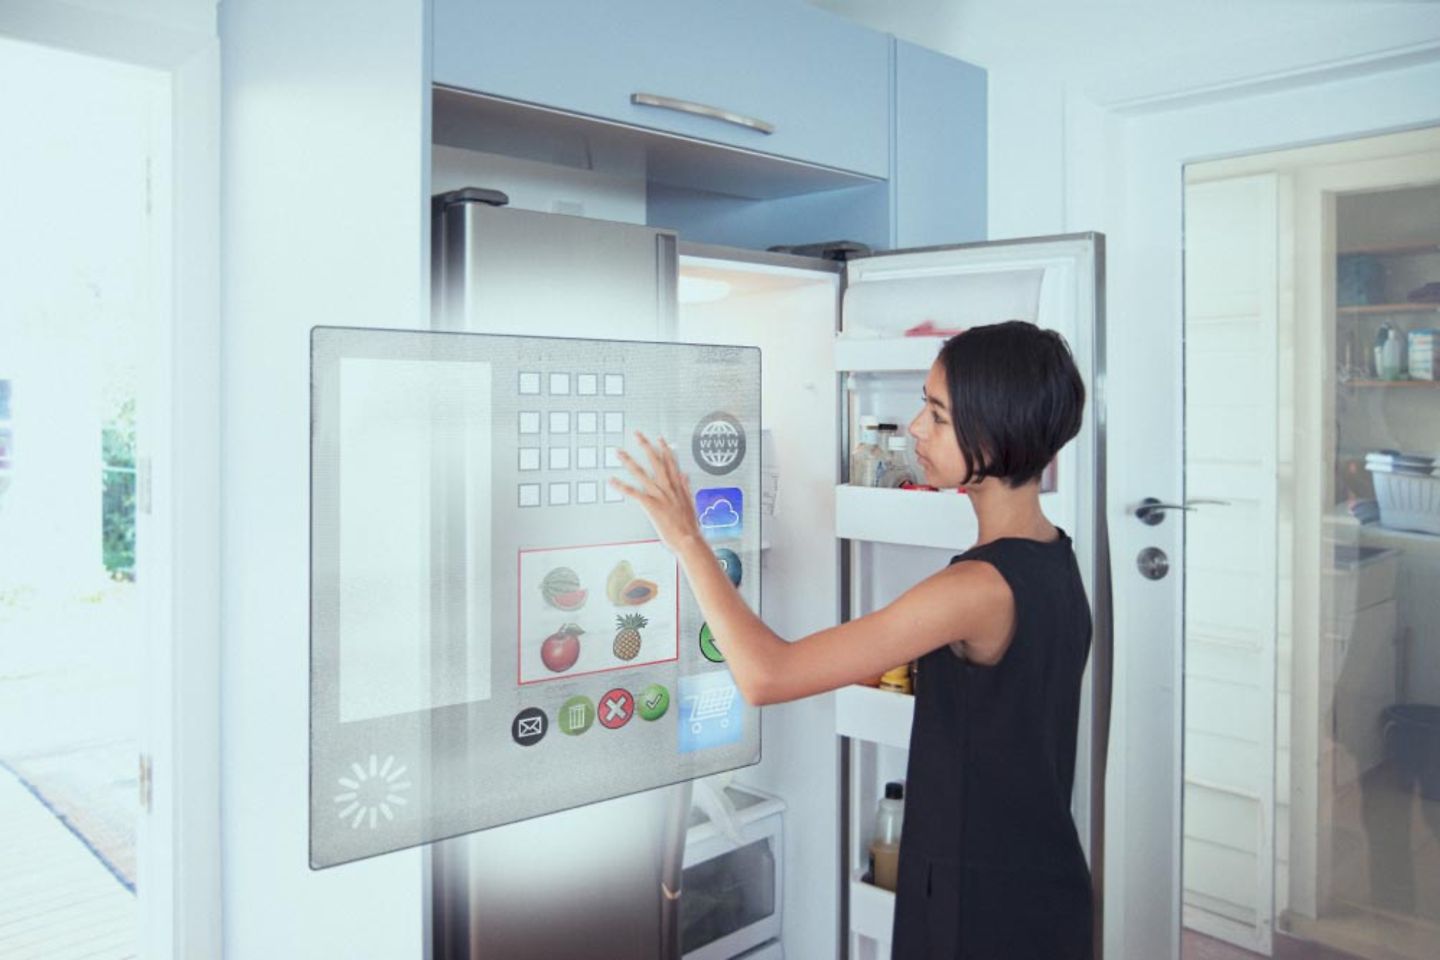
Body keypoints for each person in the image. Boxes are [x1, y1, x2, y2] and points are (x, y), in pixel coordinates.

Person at [612, 320, 1094, 960]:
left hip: (978, 908)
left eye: (938, 415)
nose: (917, 427)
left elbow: (766, 675)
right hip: (1042, 880)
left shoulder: (975, 589)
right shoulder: (1055, 556)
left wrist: (687, 538)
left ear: (995, 432)